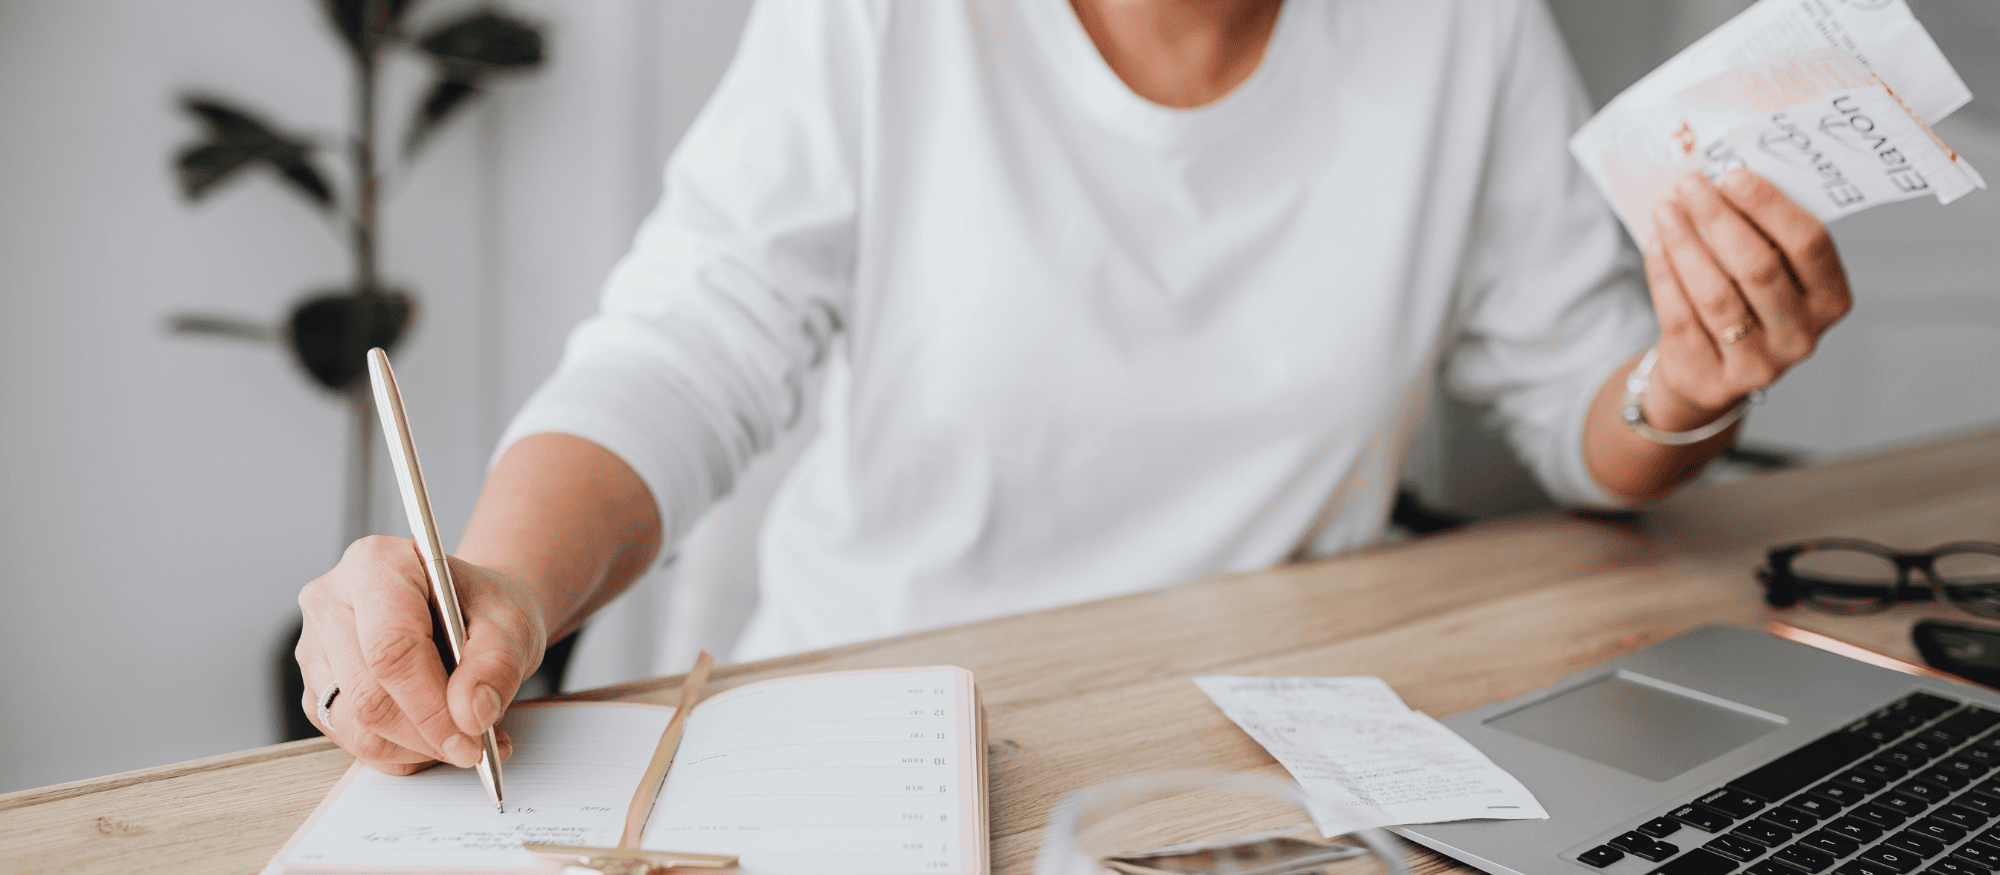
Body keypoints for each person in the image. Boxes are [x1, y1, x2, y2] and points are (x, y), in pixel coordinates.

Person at [294, 0, 1851, 776]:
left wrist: (1684, 387)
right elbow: (688, 345)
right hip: (875, 741)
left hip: (1280, 751)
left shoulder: (1464, 25)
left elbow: (1579, 397)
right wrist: (495, 573)